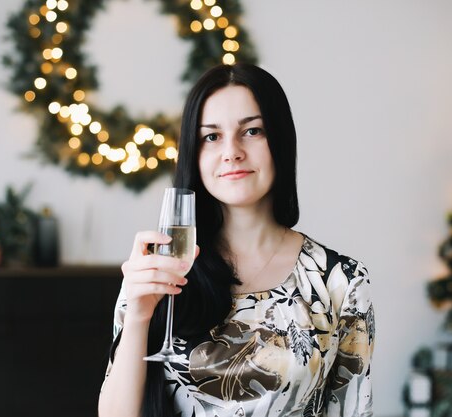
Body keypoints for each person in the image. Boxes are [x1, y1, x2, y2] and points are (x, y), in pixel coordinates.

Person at [98, 63, 375, 417]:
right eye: (211, 137)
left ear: (281, 141)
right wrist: (138, 315)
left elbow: (352, 408)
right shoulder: (158, 268)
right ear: (194, 154)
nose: (231, 151)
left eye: (252, 131)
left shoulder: (340, 281)